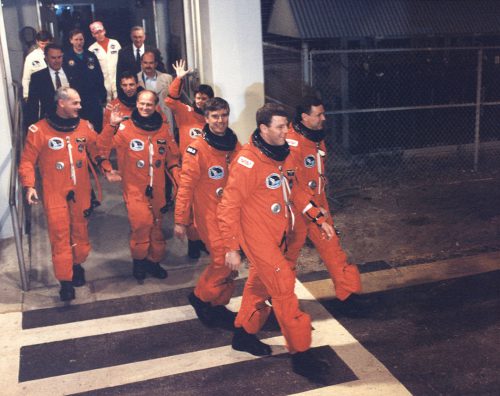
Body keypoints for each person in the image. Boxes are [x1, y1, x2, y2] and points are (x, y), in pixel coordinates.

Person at [218, 103, 333, 383]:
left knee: (259, 285)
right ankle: (302, 354)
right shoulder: (248, 162)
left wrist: (318, 217)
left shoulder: (285, 154)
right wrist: (231, 247)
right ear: (264, 129)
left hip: (280, 234)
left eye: (286, 125)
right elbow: (228, 206)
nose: (287, 131)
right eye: (280, 127)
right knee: (283, 290)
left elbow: (296, 191)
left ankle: (243, 335)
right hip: (258, 239)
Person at [18, 87, 120, 302]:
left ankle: (77, 263)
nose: (80, 107)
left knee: (80, 234)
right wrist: (30, 186)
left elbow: (98, 149)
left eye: (80, 102)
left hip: (81, 191)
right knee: (60, 235)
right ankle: (65, 281)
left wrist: (111, 127)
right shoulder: (39, 130)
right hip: (55, 191)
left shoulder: (83, 126)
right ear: (61, 103)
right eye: (75, 103)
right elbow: (27, 161)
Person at [285, 96, 363, 313]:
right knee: (287, 258)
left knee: (333, 249)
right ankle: (280, 302)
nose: (324, 118)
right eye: (318, 114)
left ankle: (348, 297)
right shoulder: (292, 143)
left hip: (318, 204)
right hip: (297, 210)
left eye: (323, 113)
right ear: (304, 117)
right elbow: (293, 186)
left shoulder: (316, 138)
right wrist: (313, 211)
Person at [174, 97, 240, 327]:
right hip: (209, 215)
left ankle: (218, 304)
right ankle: (200, 298)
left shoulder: (233, 144)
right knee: (222, 260)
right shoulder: (197, 149)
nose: (220, 121)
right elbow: (185, 187)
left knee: (231, 266)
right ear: (206, 118)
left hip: (230, 215)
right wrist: (181, 220)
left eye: (223, 115)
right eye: (215, 116)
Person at [101, 90, 180, 282]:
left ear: (155, 106)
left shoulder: (162, 129)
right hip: (135, 188)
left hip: (158, 188)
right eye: (142, 104)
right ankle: (139, 261)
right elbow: (102, 146)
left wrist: (179, 181)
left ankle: (153, 261)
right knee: (142, 224)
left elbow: (172, 157)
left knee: (157, 226)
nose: (145, 108)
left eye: (149, 104)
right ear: (136, 104)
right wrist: (111, 126)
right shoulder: (124, 128)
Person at [165, 59, 214, 259]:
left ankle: (202, 240)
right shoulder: (185, 113)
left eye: (204, 98)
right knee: (189, 209)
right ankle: (193, 244)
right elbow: (170, 101)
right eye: (198, 97)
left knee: (205, 209)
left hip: (207, 172)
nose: (200, 101)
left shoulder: (213, 120)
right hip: (186, 169)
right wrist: (178, 78)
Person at [64, 29, 107, 132]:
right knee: (80, 127)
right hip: (76, 98)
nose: (79, 42)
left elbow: (99, 76)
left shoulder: (91, 56)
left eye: (81, 39)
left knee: (97, 126)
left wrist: (102, 95)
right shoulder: (66, 57)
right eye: (76, 39)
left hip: (93, 98)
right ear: (71, 40)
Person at [26, 43, 72, 127]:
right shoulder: (38, 77)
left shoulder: (73, 72)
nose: (57, 61)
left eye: (59, 57)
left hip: (72, 120)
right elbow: (33, 105)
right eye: (53, 58)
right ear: (46, 58)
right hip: (49, 122)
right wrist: (32, 126)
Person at [137, 51, 173, 127]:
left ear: (156, 64)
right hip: (144, 119)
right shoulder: (136, 79)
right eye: (145, 63)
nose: (148, 66)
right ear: (141, 63)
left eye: (151, 63)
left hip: (165, 118)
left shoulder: (167, 78)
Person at [88, 21, 121, 102]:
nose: (99, 34)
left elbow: (122, 62)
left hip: (117, 80)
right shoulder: (91, 49)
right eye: (96, 33)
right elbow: (91, 68)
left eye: (100, 31)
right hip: (103, 84)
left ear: (104, 31)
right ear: (93, 34)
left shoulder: (115, 43)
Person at [22, 30, 53, 100]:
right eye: (42, 44)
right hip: (40, 91)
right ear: (37, 42)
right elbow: (26, 78)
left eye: (47, 44)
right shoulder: (31, 57)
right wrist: (26, 95)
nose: (45, 46)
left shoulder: (57, 54)